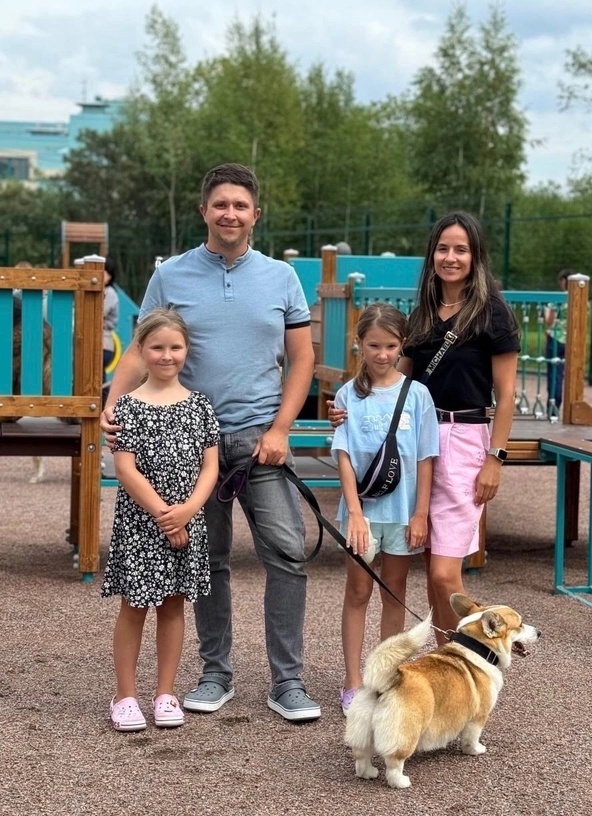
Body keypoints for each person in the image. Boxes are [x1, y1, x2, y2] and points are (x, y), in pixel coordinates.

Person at [100, 163, 321, 723]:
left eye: (240, 205)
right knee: (206, 562)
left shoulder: (282, 278)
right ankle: (215, 673)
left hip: (261, 442)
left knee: (288, 555)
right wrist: (113, 402)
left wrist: (281, 428)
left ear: (256, 215)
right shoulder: (171, 275)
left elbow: (302, 359)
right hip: (188, 441)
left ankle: (288, 681)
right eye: (220, 204)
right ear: (204, 211)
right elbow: (141, 348)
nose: (230, 213)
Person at [329, 212, 519, 643]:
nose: (451, 257)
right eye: (443, 248)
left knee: (444, 572)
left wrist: (496, 457)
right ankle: (446, 662)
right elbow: (395, 385)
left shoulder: (492, 314)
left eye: (461, 250)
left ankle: (474, 656)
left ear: (475, 256)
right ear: (432, 254)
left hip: (465, 436)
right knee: (431, 566)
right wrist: (349, 408)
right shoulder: (422, 316)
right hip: (416, 441)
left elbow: (506, 395)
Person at [101, 308, 220, 732]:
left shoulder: (200, 405)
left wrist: (188, 510)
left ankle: (165, 693)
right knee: (134, 606)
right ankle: (125, 695)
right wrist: (166, 516)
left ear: (187, 349)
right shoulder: (127, 406)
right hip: (141, 523)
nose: (167, 355)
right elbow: (125, 469)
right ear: (141, 350)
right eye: (157, 347)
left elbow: (210, 466)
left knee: (173, 606)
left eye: (175, 347)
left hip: (188, 520)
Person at [332, 303, 438, 714]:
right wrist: (354, 512)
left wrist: (420, 513)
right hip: (362, 513)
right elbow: (343, 455)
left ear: (402, 345)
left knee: (394, 592)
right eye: (374, 345)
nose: (382, 354)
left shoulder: (417, 395)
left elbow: (425, 458)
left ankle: (386, 677)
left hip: (403, 511)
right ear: (359, 343)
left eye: (390, 346)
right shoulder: (347, 395)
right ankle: (353, 681)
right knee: (358, 591)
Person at [544, 268, 572, 418]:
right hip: (571, 341)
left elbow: (549, 321)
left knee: (554, 374)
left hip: (555, 339)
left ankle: (553, 405)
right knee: (566, 374)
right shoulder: (580, 301)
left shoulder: (557, 300)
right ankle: (566, 405)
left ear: (563, 281)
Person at [102, 257, 120, 405]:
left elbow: (99, 313)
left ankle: (105, 404)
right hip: (97, 343)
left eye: (104, 272)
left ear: (110, 276)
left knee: (97, 378)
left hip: (104, 344)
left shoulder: (109, 293)